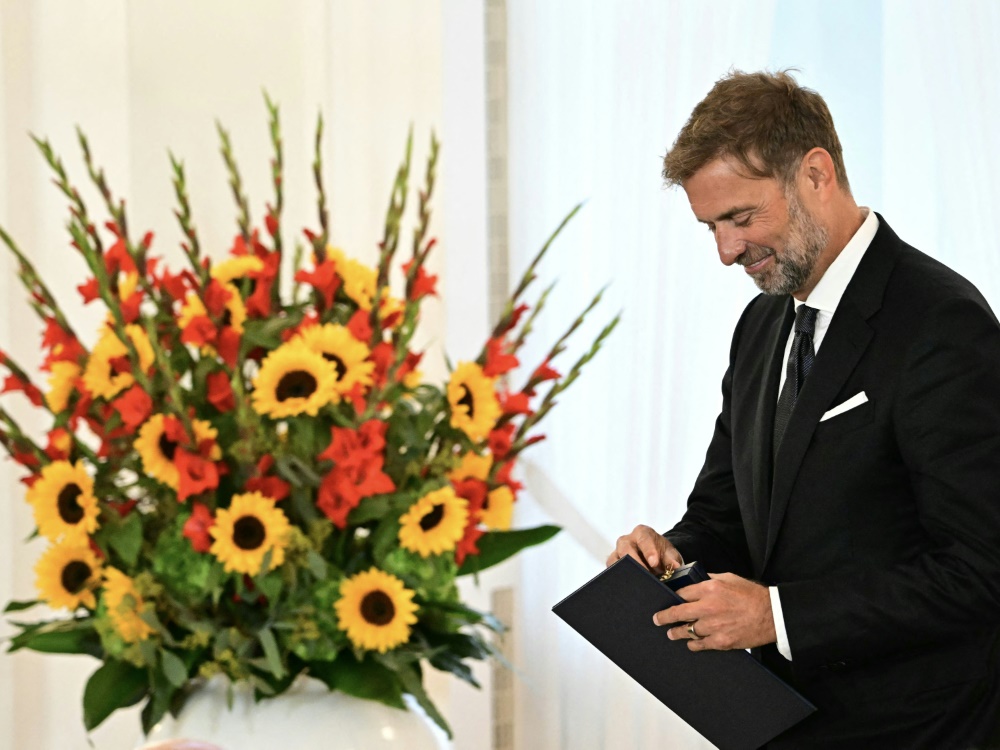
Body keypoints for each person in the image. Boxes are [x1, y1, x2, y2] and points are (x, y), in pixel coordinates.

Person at [607, 70, 1000, 748]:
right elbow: (725, 514)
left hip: (921, 731)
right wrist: (669, 560)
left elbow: (981, 569)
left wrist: (776, 616)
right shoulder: (760, 327)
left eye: (740, 218)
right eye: (711, 226)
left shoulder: (941, 321)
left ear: (816, 174)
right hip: (780, 723)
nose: (727, 252)